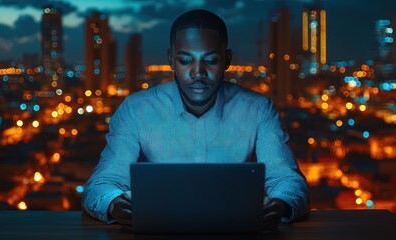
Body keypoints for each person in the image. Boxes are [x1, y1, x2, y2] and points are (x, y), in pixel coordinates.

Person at [82, 9, 310, 230]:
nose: (197, 72)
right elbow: (101, 184)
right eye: (185, 60)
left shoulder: (258, 109)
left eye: (210, 60)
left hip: (234, 233)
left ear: (227, 60)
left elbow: (287, 180)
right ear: (171, 59)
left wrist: (280, 204)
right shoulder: (136, 109)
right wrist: (113, 204)